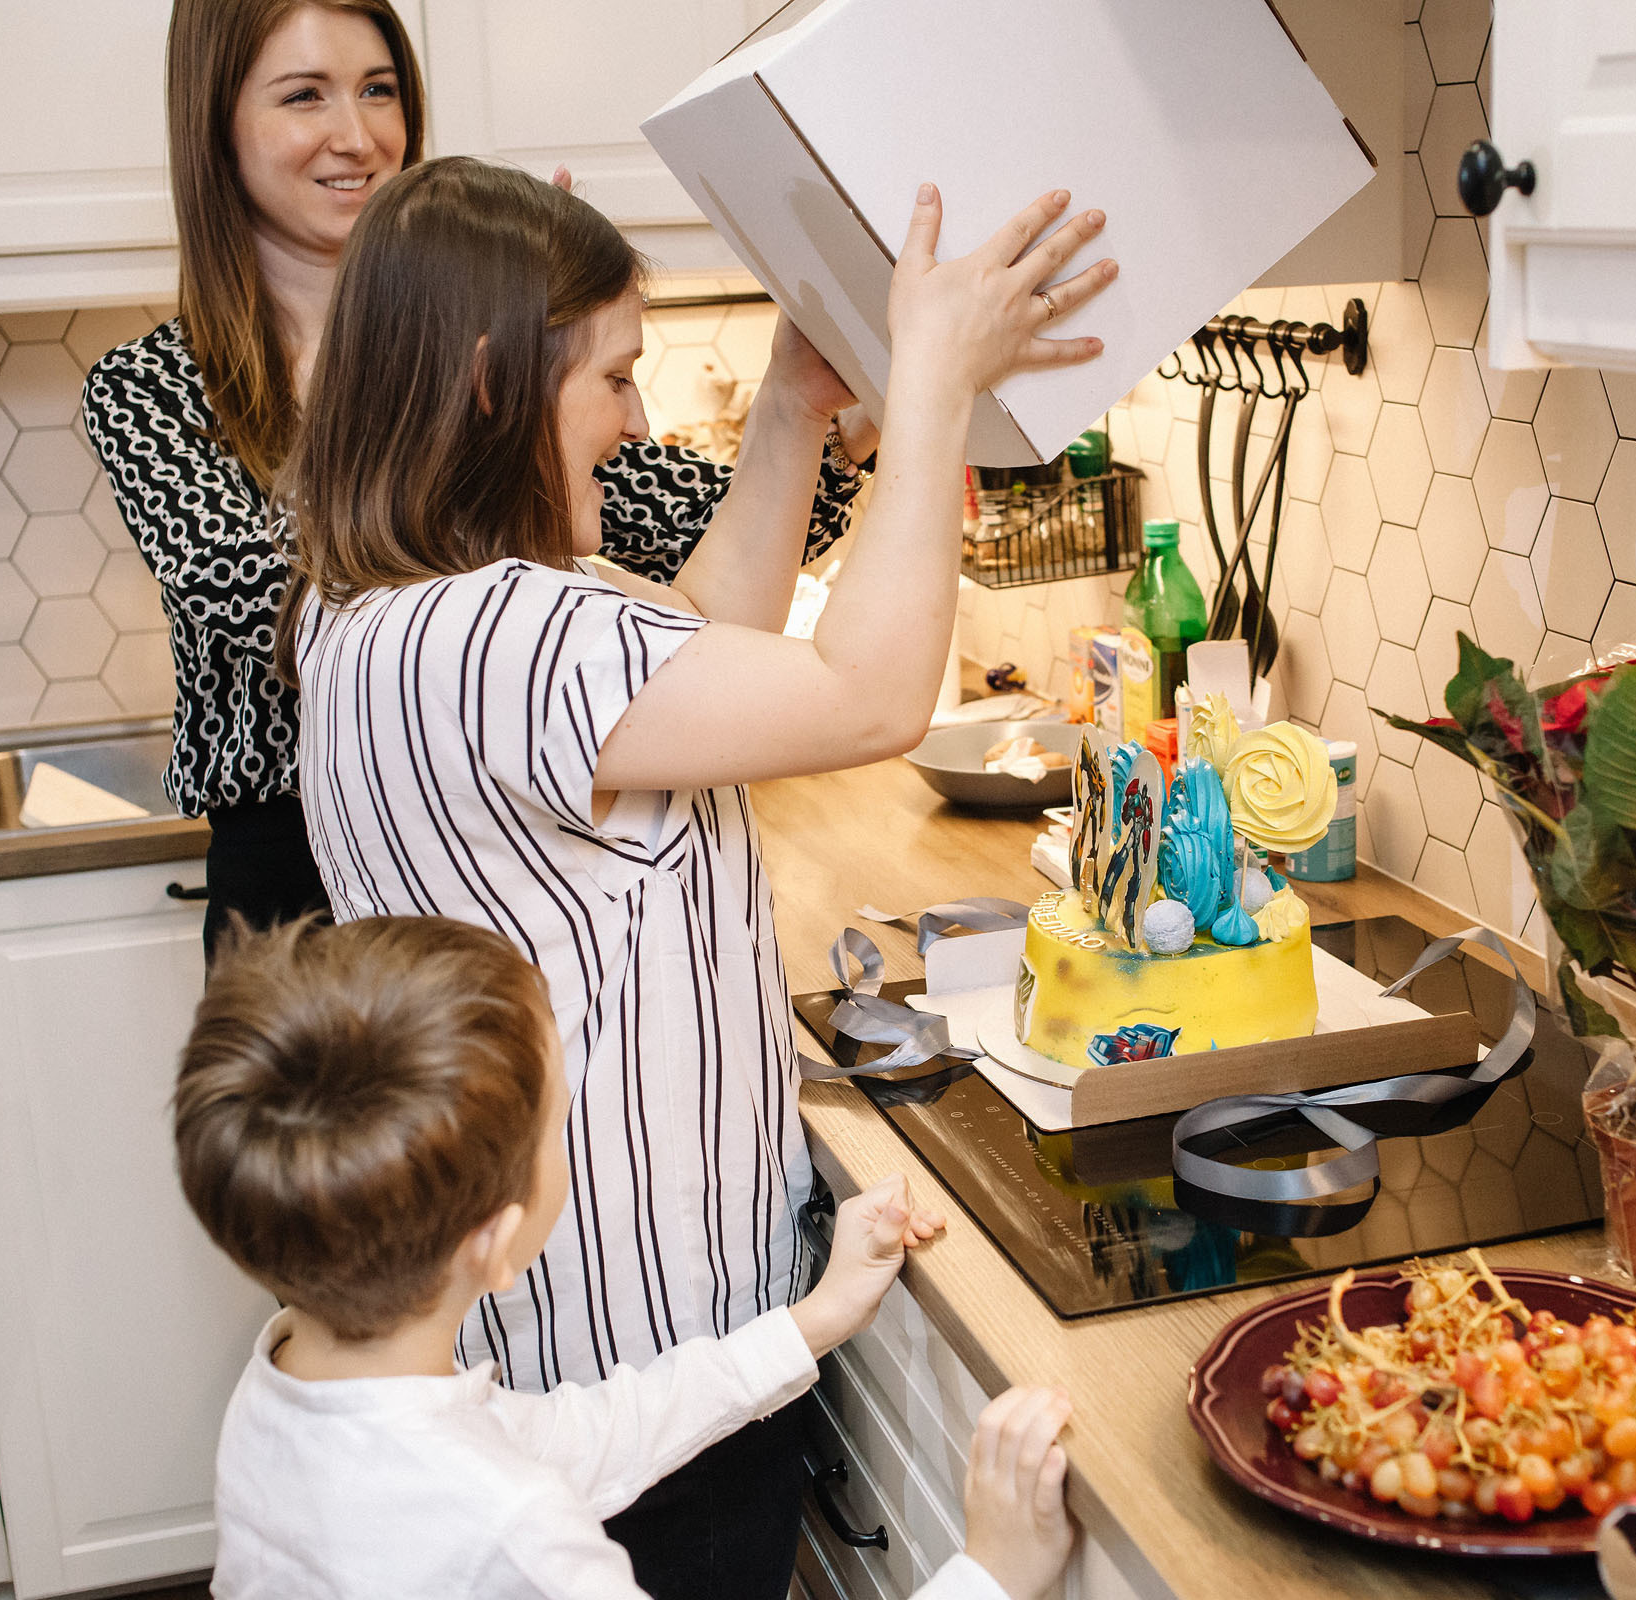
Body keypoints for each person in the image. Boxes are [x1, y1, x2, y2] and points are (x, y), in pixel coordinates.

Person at [281, 155, 1113, 1599]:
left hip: (536, 1355)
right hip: (649, 1382)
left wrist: (793, 410)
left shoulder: (371, 613)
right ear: (493, 384)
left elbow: (695, 640)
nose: (639, 418)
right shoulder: (517, 638)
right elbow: (866, 696)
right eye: (613, 377)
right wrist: (926, 391)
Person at [79, 0, 874, 956]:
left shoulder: (488, 361)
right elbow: (275, 608)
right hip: (292, 882)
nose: (357, 135)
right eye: (304, 96)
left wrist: (837, 419)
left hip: (516, 841)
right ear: (216, 128)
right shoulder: (148, 388)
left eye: (379, 90)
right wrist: (460, 383)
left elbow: (706, 518)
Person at [173, 914, 1077, 1600]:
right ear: (494, 1242)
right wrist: (992, 1571)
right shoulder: (516, 1536)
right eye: (561, 1125)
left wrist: (813, 1322)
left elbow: (572, 1437)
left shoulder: (288, 1392)